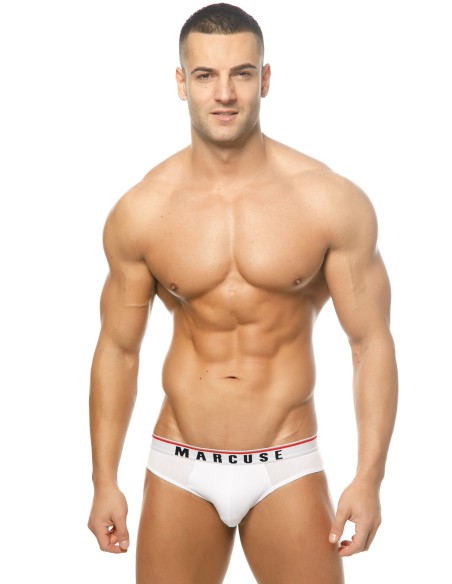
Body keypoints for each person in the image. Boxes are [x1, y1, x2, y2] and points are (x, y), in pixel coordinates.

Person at [87, 3, 398, 583]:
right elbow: (118, 350)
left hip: (286, 461)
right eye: (205, 75)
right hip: (180, 461)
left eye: (242, 73)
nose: (225, 93)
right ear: (181, 82)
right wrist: (104, 479)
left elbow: (370, 343)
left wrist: (369, 477)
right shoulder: (143, 210)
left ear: (266, 79)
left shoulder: (329, 201)